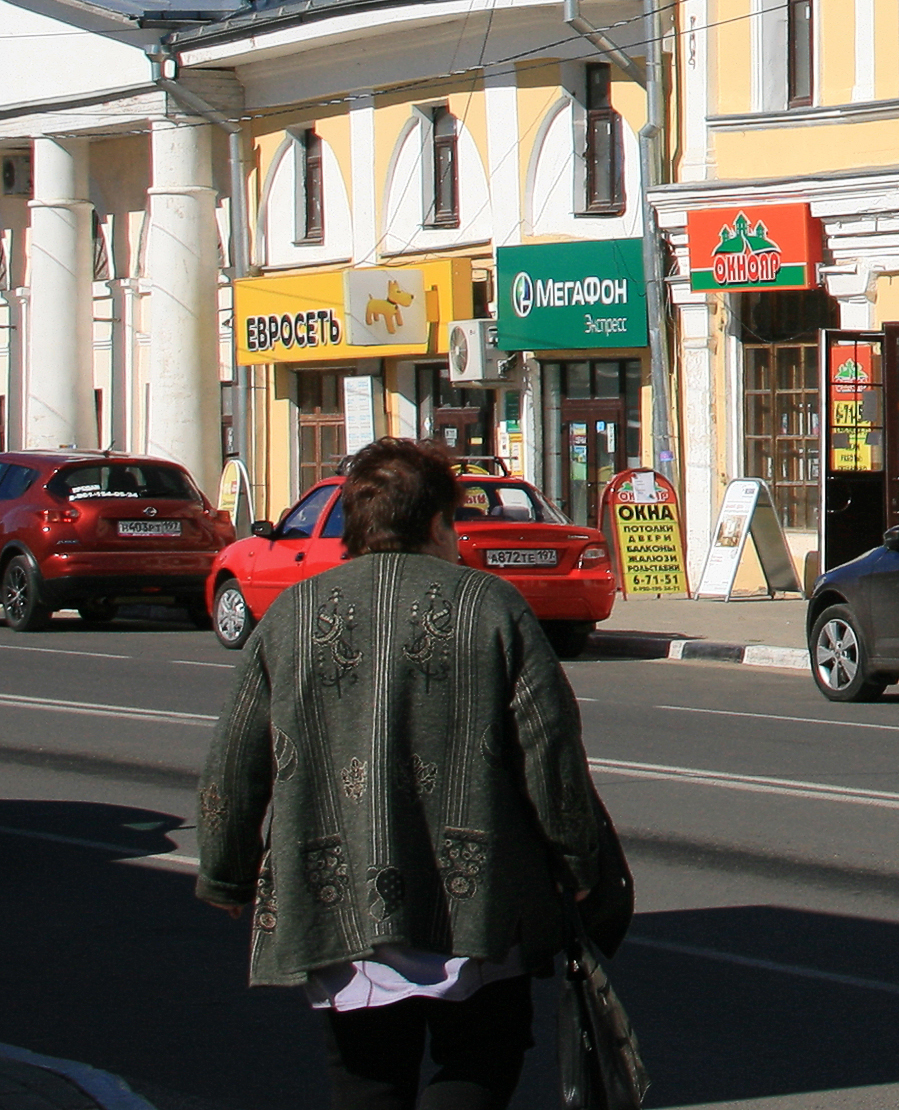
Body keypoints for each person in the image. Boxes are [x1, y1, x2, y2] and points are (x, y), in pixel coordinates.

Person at [197, 438, 618, 1110]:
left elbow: (235, 762)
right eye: (453, 522)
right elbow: (553, 756)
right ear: (432, 524)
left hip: (340, 908)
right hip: (477, 907)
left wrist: (225, 870)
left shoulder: (290, 617)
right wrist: (581, 866)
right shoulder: (492, 607)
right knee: (479, 1062)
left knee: (366, 1078)